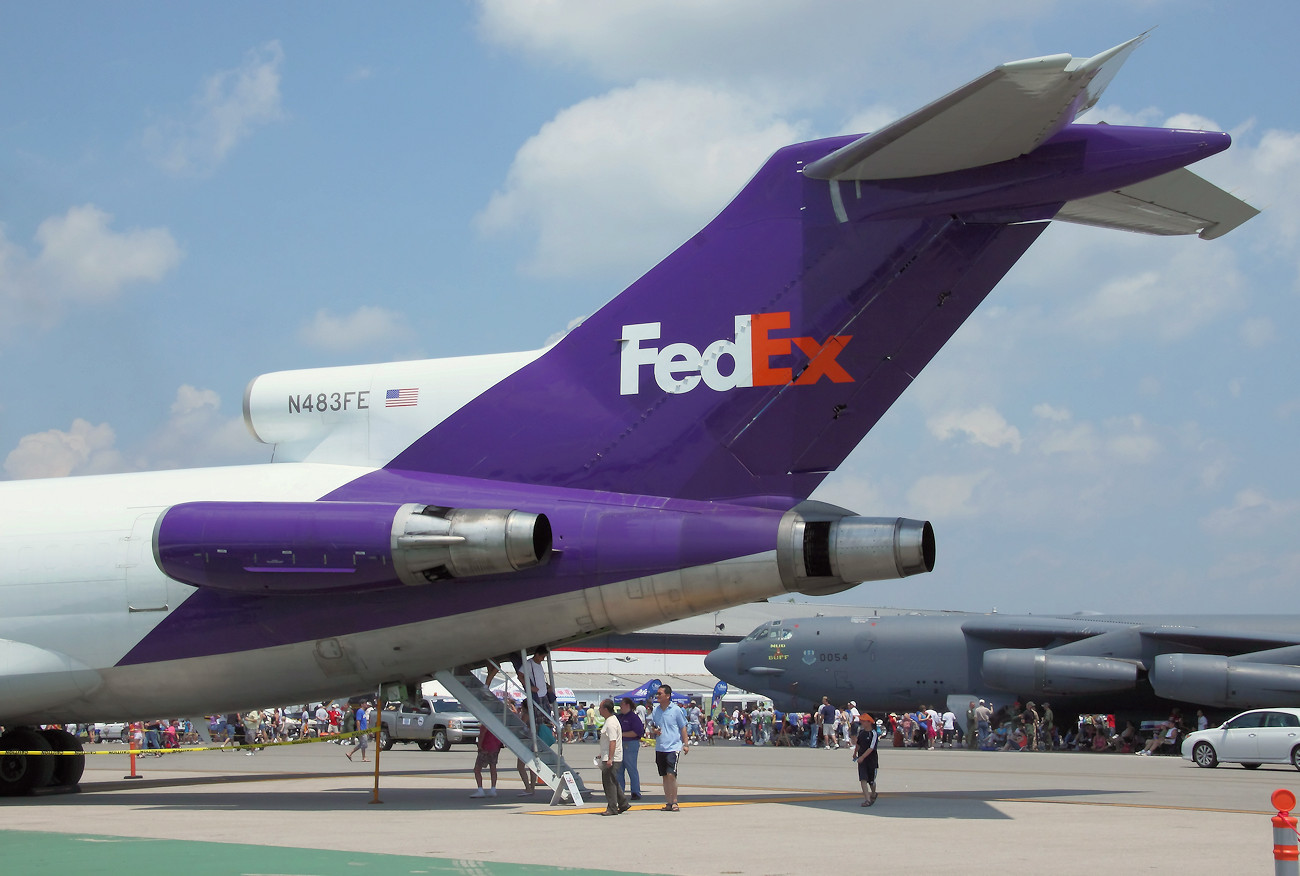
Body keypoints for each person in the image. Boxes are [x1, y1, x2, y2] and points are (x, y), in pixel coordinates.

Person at [649, 685, 689, 811]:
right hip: (660, 747)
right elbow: (652, 725)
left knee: (671, 774)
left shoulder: (676, 710)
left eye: (660, 694)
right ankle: (668, 802)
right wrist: (654, 730)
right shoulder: (656, 710)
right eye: (657, 694)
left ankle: (675, 801)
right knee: (664, 776)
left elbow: (683, 727)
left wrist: (686, 744)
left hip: (673, 747)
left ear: (668, 695)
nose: (658, 696)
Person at [597, 699, 631, 815]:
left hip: (612, 757)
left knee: (609, 783)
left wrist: (610, 758)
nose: (599, 710)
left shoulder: (611, 723)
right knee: (613, 781)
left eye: (600, 708)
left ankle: (612, 807)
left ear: (606, 709)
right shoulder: (610, 720)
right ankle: (623, 803)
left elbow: (612, 741)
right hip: (609, 755)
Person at [616, 697, 644, 800]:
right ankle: (620, 792)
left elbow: (637, 732)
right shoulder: (620, 717)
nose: (620, 707)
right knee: (619, 769)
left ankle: (635, 791)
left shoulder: (633, 717)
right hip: (620, 744)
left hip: (630, 744)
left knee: (631, 768)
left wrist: (621, 734)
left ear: (627, 705)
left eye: (622, 705)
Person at [853, 711, 879, 807]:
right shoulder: (862, 732)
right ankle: (867, 800)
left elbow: (871, 748)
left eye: (863, 721)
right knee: (863, 779)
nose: (861, 722)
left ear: (869, 722)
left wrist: (863, 757)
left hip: (871, 759)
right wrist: (855, 753)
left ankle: (873, 793)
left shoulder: (873, 733)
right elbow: (858, 744)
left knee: (871, 781)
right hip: (861, 759)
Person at [471, 726, 503, 797]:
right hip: (494, 748)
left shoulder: (485, 725)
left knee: (477, 769)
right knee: (493, 768)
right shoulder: (496, 725)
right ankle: (493, 789)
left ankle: (480, 790)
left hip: (485, 748)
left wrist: (479, 746)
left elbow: (482, 735)